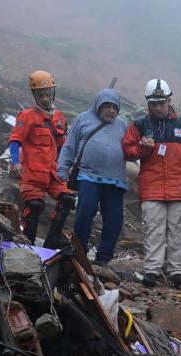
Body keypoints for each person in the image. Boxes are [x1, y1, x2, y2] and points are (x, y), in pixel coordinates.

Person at [122, 78, 181, 287]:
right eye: (153, 103)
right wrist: (142, 150)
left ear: (169, 100)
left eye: (161, 103)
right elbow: (126, 149)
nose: (158, 107)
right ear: (147, 103)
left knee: (177, 231)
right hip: (152, 188)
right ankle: (152, 270)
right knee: (154, 230)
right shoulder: (140, 125)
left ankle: (176, 271)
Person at [56, 89, 128, 266]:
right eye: (107, 106)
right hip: (89, 176)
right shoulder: (83, 119)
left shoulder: (123, 124)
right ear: (98, 106)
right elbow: (69, 146)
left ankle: (104, 257)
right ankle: (80, 251)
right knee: (85, 212)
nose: (111, 111)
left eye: (114, 107)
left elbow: (132, 149)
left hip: (116, 180)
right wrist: (62, 168)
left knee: (114, 219)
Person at [9, 69, 74, 247]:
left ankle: (52, 239)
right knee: (35, 205)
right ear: (34, 95)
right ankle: (28, 241)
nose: (45, 98)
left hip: (53, 172)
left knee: (67, 199)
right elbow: (15, 140)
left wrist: (68, 165)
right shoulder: (28, 116)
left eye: (48, 94)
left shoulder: (59, 117)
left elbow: (63, 145)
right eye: (41, 95)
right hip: (32, 172)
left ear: (53, 93)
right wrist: (15, 162)